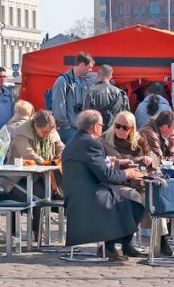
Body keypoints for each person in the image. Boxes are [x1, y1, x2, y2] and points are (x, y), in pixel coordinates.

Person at [62, 110, 145, 261]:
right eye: (101, 125)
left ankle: (119, 245)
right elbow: (105, 175)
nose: (102, 128)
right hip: (89, 196)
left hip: (77, 194)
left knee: (130, 197)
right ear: (95, 127)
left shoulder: (76, 141)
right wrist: (127, 174)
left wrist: (118, 163)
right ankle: (111, 246)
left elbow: (94, 164)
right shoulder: (91, 143)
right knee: (135, 201)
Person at [101, 111, 173, 252]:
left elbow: (156, 158)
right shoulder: (104, 141)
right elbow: (99, 164)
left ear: (132, 129)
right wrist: (119, 164)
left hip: (138, 182)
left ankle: (162, 239)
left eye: (125, 127)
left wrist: (149, 159)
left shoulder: (140, 140)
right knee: (134, 197)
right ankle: (125, 241)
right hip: (115, 183)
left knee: (154, 197)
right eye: (118, 126)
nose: (120, 130)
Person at [5, 110, 66, 236]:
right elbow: (29, 154)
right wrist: (45, 163)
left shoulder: (51, 131)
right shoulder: (21, 132)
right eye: (44, 132)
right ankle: (17, 231)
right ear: (36, 125)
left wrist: (59, 156)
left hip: (43, 177)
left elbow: (61, 147)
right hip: (16, 179)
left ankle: (37, 229)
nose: (46, 135)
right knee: (37, 194)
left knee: (45, 192)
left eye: (49, 132)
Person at [52, 52, 95, 143]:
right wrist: (65, 125)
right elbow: (58, 106)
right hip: (68, 130)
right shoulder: (62, 81)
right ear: (82, 65)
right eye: (89, 67)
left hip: (79, 129)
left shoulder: (84, 81)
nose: (91, 70)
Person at [83, 64, 129, 129]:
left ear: (98, 74)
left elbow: (86, 116)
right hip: (113, 131)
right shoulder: (120, 93)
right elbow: (126, 116)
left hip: (96, 131)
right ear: (111, 76)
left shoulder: (90, 92)